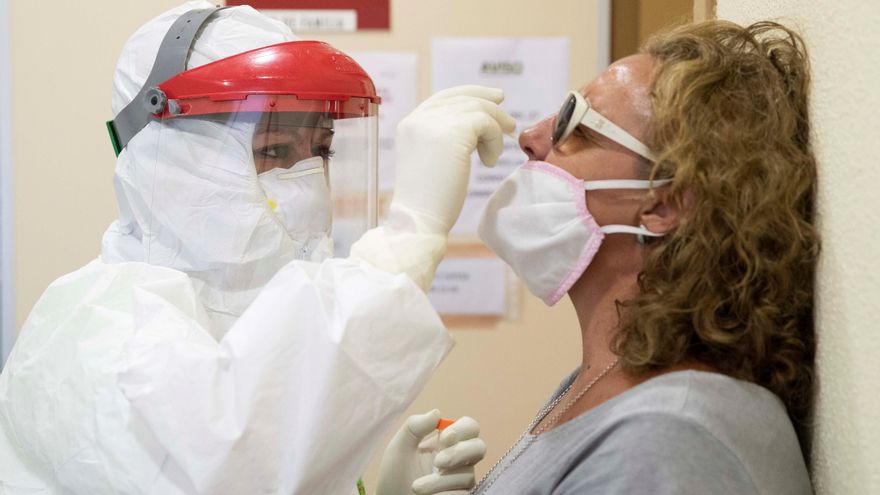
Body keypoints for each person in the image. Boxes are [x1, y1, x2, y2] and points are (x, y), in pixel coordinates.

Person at [0, 2, 512, 494]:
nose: (309, 183)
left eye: (321, 150)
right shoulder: (94, 330)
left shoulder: (252, 310)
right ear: (170, 158)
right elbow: (229, 470)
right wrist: (410, 234)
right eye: (273, 150)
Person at [471, 20, 817, 494]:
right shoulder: (605, 383)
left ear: (663, 206)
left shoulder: (666, 438)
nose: (531, 136)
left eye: (576, 125)